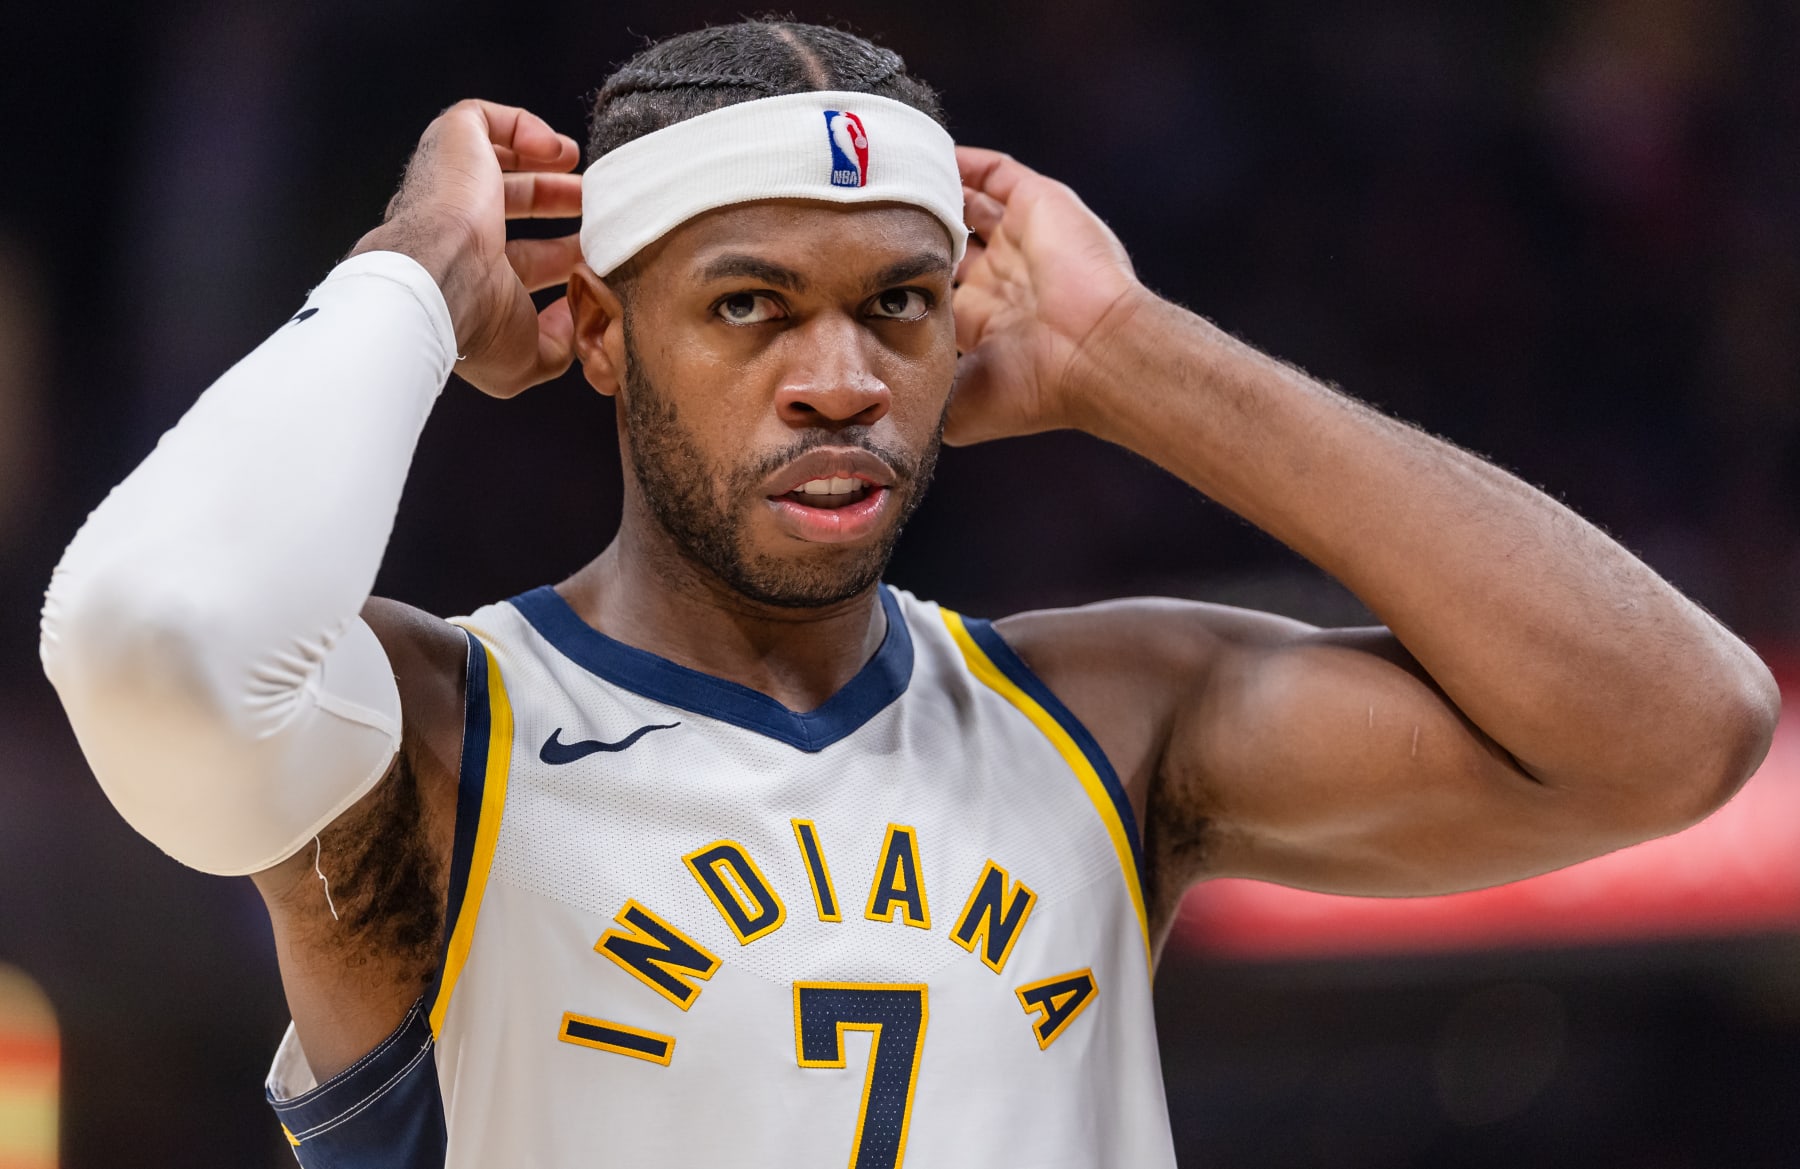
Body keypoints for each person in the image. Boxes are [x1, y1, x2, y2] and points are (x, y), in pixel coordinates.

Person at [38, 19, 1778, 1169]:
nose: (840, 379)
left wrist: (1128, 351)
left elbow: (1678, 728)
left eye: (897, 305)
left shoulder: (1105, 717)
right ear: (601, 332)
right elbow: (150, 637)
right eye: (749, 306)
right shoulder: (440, 741)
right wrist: (417, 274)